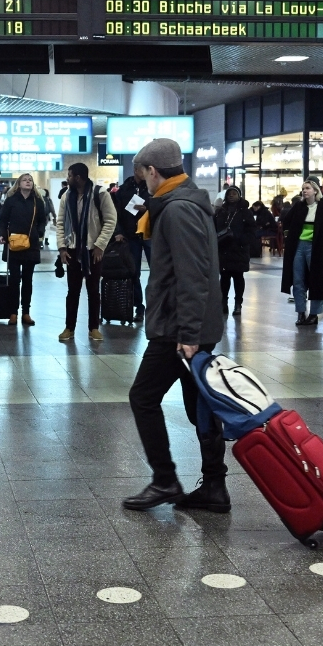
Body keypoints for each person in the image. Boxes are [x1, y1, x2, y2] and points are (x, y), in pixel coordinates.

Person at [121, 139, 227, 513]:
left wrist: (189, 336)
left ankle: (165, 479)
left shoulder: (178, 210)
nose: (143, 185)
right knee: (199, 403)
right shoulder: (182, 202)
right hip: (187, 326)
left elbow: (193, 277)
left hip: (178, 329)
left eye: (143, 177)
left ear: (153, 171)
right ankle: (214, 486)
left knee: (143, 396)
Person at [54, 161, 118, 342]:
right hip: (73, 250)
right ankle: (69, 327)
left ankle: (94, 328)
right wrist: (62, 247)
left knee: (93, 291)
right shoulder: (67, 195)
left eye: (69, 175)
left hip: (93, 250)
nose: (67, 178)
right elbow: (60, 222)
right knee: (72, 291)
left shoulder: (100, 194)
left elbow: (110, 220)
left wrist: (100, 245)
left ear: (78, 178)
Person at [281, 177, 323, 327]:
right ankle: (301, 312)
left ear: (315, 191)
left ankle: (314, 314)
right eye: (303, 188)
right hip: (299, 245)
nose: (304, 191)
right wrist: (289, 234)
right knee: (298, 279)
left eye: (307, 188)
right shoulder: (298, 206)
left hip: (316, 246)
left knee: (317, 279)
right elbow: (286, 221)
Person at [0, 173, 48, 326]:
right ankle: (13, 312)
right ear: (18, 184)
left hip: (31, 245)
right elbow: (3, 220)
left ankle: (26, 312)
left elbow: (42, 221)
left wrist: (38, 233)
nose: (28, 182)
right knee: (14, 279)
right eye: (24, 180)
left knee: (28, 280)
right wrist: (2, 236)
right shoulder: (11, 200)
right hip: (13, 243)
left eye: (30, 180)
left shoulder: (38, 201)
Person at [214, 186, 257, 316]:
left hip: (239, 249)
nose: (231, 196)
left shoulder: (245, 212)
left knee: (238, 277)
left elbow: (252, 231)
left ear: (239, 195)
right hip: (224, 249)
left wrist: (241, 239)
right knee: (224, 278)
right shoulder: (221, 211)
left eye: (234, 193)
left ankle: (238, 303)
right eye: (229, 194)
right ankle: (223, 302)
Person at [112, 172, 150, 317]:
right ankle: (139, 307)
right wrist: (119, 232)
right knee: (134, 272)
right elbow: (117, 213)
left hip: (149, 234)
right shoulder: (124, 189)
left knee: (158, 271)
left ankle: (156, 307)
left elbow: (161, 206)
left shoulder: (152, 188)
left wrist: (148, 208)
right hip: (131, 235)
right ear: (135, 170)